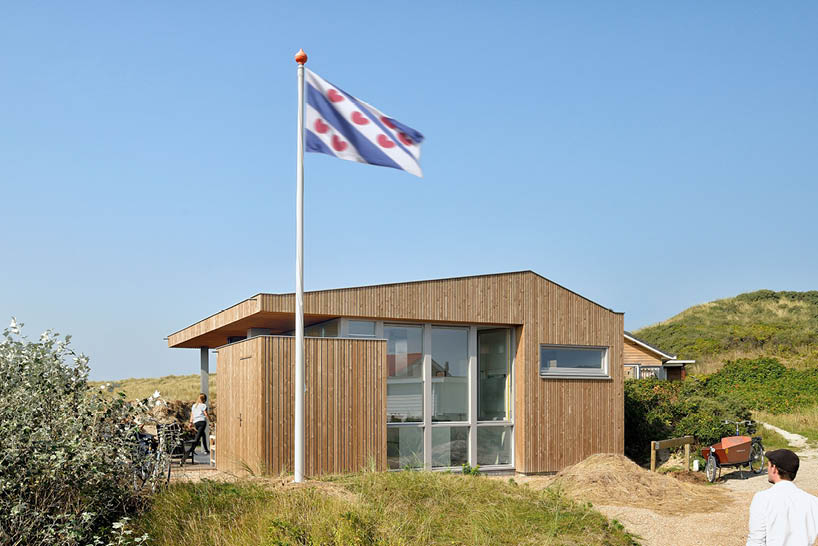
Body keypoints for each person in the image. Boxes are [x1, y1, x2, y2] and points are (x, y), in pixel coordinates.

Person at [746, 448, 818, 546]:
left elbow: (756, 541)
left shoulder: (762, 499)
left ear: (774, 468)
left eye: (768, 465)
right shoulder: (813, 502)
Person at [186, 393, 210, 460]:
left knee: (203, 435)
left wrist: (190, 423)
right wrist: (210, 420)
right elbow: (205, 414)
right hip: (202, 422)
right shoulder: (203, 405)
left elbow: (192, 415)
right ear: (204, 399)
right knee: (197, 437)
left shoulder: (194, 406)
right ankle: (191, 450)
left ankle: (206, 449)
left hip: (196, 423)